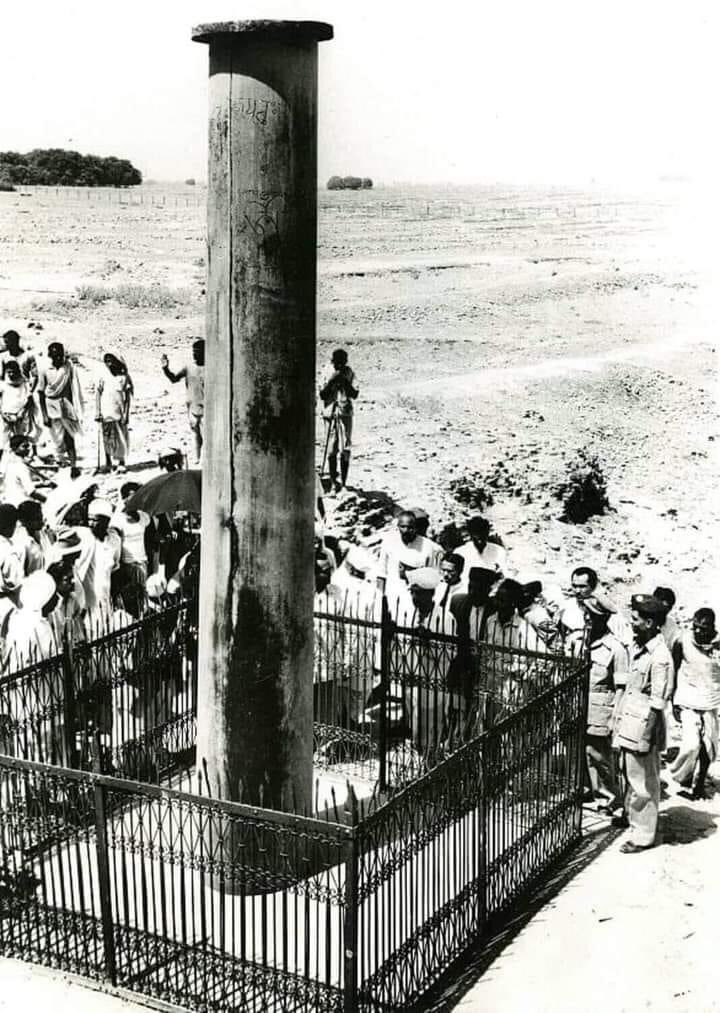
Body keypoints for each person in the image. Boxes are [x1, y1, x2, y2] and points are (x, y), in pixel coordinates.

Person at [612, 594, 674, 853]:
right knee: (630, 775)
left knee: (643, 783)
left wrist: (646, 738)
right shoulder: (641, 646)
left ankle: (643, 836)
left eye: (636, 619)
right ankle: (632, 819)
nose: (631, 623)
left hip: (642, 726)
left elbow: (657, 704)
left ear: (649, 622)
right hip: (629, 721)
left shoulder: (660, 657)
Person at [581, 594, 628, 813]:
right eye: (586, 615)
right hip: (580, 706)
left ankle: (611, 798)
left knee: (599, 756)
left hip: (601, 710)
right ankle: (591, 792)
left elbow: (621, 689)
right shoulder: (582, 641)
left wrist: (614, 719)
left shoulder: (615, 649)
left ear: (603, 619)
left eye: (591, 617)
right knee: (583, 753)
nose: (587, 620)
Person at [668, 608, 720, 799]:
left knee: (709, 746)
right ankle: (683, 776)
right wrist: (673, 699)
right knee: (691, 745)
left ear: (712, 627)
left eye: (703, 628)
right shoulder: (683, 641)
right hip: (688, 700)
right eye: (696, 627)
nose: (698, 631)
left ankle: (699, 784)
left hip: (711, 701)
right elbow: (673, 668)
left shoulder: (718, 644)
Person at [74, 498, 121, 636]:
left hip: (105, 597)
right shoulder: (84, 539)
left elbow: (115, 567)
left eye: (96, 520)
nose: (91, 523)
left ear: (106, 521)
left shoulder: (114, 540)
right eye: (89, 519)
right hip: (87, 599)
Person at [378, 510, 442, 610]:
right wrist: (380, 598)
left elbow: (432, 579)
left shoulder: (428, 547)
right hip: (391, 598)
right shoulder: (388, 542)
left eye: (410, 527)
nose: (406, 530)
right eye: (403, 526)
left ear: (416, 527)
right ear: (398, 527)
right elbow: (381, 574)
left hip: (415, 603)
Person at [36, 341, 84, 469]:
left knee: (69, 436)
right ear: (50, 356)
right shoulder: (44, 369)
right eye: (55, 356)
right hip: (51, 405)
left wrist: (76, 410)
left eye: (60, 356)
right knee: (56, 437)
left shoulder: (69, 367)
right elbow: (41, 393)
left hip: (67, 406)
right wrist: (44, 415)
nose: (58, 359)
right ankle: (60, 462)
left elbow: (74, 389)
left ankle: (74, 465)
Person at [319, 348, 358, 493]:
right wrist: (332, 381)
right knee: (331, 449)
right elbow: (322, 394)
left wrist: (345, 382)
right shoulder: (326, 371)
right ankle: (334, 481)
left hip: (345, 414)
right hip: (330, 413)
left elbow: (354, 394)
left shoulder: (349, 372)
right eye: (337, 363)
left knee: (345, 448)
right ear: (333, 361)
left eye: (343, 363)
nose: (340, 366)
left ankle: (344, 482)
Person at [160, 339, 205, 464]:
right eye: (194, 352)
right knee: (195, 434)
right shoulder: (188, 367)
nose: (194, 354)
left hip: (208, 408)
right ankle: (197, 458)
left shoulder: (211, 367)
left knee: (207, 435)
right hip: (192, 407)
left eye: (198, 352)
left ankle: (205, 460)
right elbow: (174, 379)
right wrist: (165, 369)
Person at [110, 482, 151, 593]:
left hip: (142, 562)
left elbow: (150, 538)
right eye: (133, 496)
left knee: (142, 593)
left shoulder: (143, 516)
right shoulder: (118, 520)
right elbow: (115, 545)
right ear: (124, 498)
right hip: (127, 565)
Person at [95, 353, 133, 473]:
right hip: (106, 412)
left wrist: (126, 414)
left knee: (121, 437)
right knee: (107, 437)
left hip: (119, 412)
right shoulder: (103, 376)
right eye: (106, 361)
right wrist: (98, 411)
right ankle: (108, 462)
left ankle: (121, 462)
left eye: (111, 360)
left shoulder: (123, 377)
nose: (109, 363)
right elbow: (98, 394)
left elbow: (127, 397)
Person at [0, 360, 39, 449]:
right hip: (6, 416)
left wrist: (22, 412)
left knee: (22, 439)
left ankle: (26, 457)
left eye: (13, 372)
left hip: (21, 416)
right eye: (9, 372)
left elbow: (29, 399)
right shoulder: (3, 384)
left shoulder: (24, 384)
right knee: (3, 440)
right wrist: (3, 414)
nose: (11, 374)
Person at [13, 499, 54, 575]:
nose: (41, 522)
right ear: (24, 521)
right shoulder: (20, 544)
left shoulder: (41, 532)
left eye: (41, 518)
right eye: (37, 519)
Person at [0, 435, 43, 506]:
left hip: (10, 501)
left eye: (28, 446)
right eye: (24, 446)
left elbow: (17, 483)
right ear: (15, 448)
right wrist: (48, 500)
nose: (28, 449)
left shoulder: (8, 463)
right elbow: (31, 492)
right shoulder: (20, 466)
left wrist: (41, 484)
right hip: (23, 503)